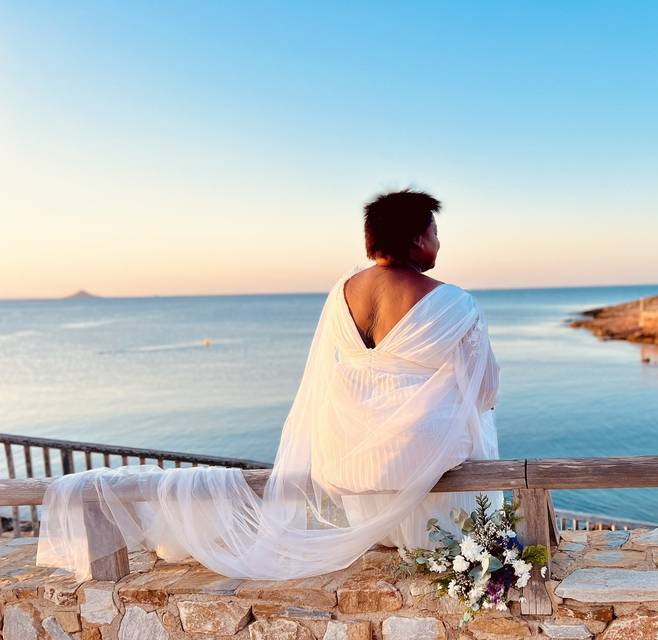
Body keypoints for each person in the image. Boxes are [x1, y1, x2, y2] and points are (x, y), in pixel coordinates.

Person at [36, 189, 503, 581]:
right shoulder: (454, 302)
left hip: (351, 459)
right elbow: (484, 387)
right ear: (418, 237)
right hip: (415, 459)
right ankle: (453, 540)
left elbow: (334, 368)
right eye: (436, 232)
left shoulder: (342, 292)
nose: (438, 241)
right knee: (468, 428)